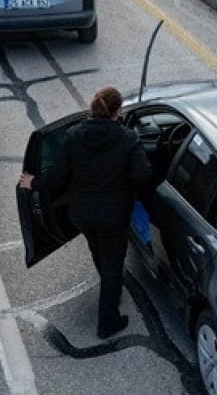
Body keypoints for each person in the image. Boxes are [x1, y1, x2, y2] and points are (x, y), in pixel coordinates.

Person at [18, 88, 152, 340]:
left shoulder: (73, 136)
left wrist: (32, 183)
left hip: (81, 214)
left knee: (99, 251)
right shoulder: (128, 139)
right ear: (117, 111)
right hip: (113, 215)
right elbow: (142, 176)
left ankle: (110, 290)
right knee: (113, 263)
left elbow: (57, 177)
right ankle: (107, 323)